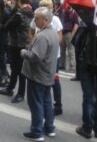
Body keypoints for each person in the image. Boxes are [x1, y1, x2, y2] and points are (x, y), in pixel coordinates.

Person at [21, 7, 59, 141]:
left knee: (36, 103)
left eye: (37, 18)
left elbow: (35, 57)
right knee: (46, 102)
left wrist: (24, 52)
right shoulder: (52, 33)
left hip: (38, 75)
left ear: (45, 20)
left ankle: (37, 131)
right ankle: (49, 128)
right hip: (47, 74)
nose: (35, 20)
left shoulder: (43, 36)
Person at [0, 0, 33, 103]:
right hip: (23, 44)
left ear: (18, 1)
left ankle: (20, 93)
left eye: (14, 0)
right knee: (15, 68)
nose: (12, 2)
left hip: (17, 44)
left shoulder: (19, 15)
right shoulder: (29, 11)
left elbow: (7, 25)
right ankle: (10, 88)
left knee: (19, 70)